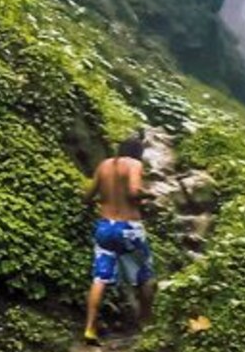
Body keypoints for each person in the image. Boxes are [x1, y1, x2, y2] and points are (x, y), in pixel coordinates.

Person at [83, 133, 155, 346]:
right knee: (145, 277)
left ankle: (89, 329)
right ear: (138, 153)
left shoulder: (104, 165)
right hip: (129, 228)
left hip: (105, 227)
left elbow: (87, 197)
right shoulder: (134, 165)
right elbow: (133, 192)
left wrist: (102, 200)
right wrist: (148, 195)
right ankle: (146, 323)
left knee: (100, 278)